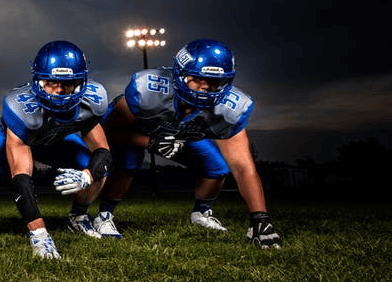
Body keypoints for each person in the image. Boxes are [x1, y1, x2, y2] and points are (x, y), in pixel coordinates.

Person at [99, 39, 282, 249]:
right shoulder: (148, 90)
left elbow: (243, 166)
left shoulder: (230, 109)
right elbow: (110, 131)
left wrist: (260, 218)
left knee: (217, 166)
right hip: (136, 131)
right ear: (180, 74)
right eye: (197, 78)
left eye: (215, 80)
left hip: (180, 135)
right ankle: (104, 216)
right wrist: (150, 142)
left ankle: (201, 213)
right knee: (129, 163)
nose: (205, 86)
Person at [0, 41, 111, 259]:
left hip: (54, 138)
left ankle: (78, 217)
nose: (59, 91)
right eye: (52, 82)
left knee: (98, 169)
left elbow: (103, 152)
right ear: (38, 80)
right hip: (14, 135)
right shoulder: (20, 108)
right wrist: (39, 233)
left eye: (68, 83)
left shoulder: (93, 101)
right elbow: (21, 178)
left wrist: (88, 174)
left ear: (81, 82)